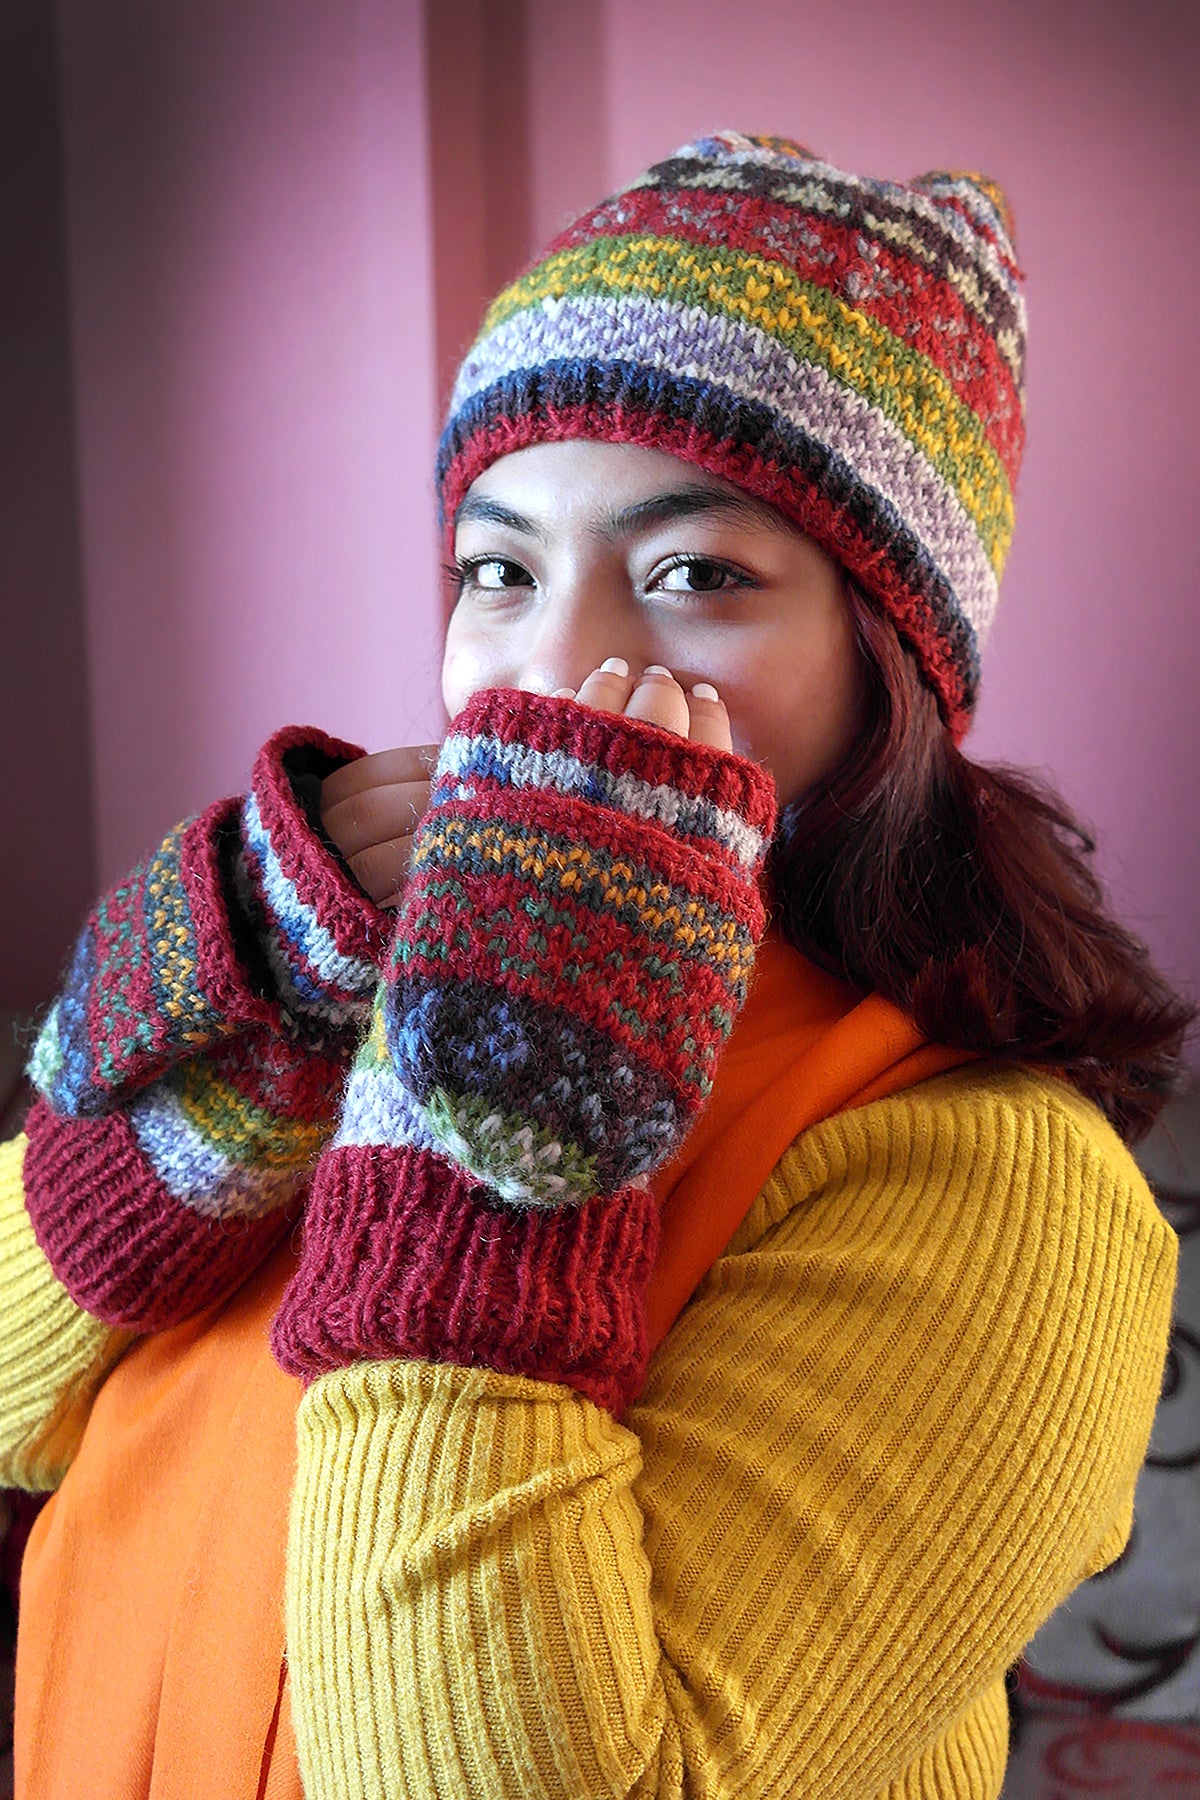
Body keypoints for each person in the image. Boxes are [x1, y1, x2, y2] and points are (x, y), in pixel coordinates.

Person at [0, 131, 1191, 1800]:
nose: (550, 668)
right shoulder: (356, 993)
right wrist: (250, 1044)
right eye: (498, 570)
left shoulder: (1004, 1190)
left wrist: (504, 1111)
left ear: (889, 658)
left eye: (696, 574)